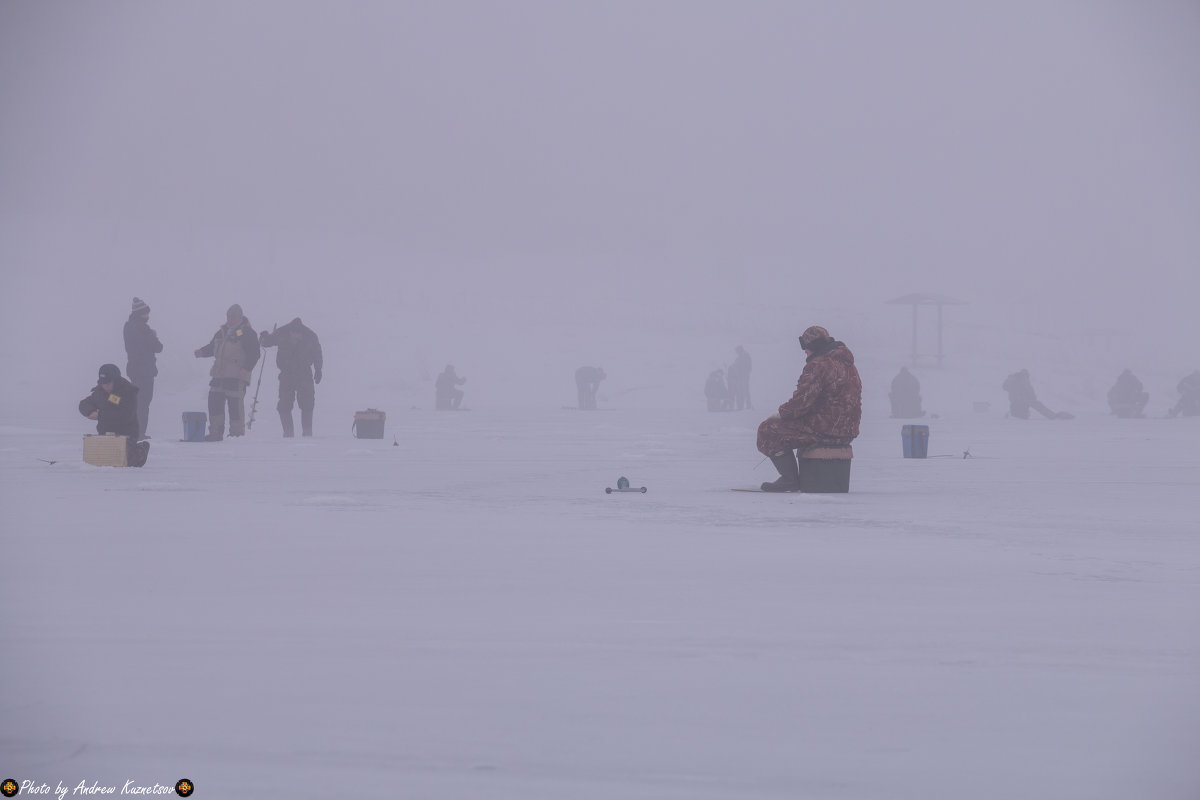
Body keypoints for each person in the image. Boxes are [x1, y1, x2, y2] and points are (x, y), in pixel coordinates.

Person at [756, 326, 862, 492]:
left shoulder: (819, 365)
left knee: (767, 429)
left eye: (806, 349)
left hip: (824, 430)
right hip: (847, 431)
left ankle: (789, 480)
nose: (805, 353)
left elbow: (802, 402)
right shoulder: (849, 365)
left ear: (812, 347)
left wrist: (781, 413)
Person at [193, 304, 259, 441]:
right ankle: (215, 433)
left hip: (237, 375)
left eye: (233, 316)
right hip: (219, 374)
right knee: (214, 402)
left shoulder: (247, 333)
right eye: (228, 316)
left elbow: (254, 353)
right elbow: (212, 347)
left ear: (240, 317)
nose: (229, 319)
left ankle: (236, 435)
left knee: (235, 406)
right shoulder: (222, 332)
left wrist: (246, 369)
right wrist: (202, 352)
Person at [259, 317, 323, 436]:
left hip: (305, 374)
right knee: (284, 404)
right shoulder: (282, 332)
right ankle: (288, 433)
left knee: (308, 403)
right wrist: (263, 337)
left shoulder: (310, 336)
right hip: (286, 374)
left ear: (301, 333)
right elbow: (267, 342)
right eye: (293, 334)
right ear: (290, 332)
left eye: (298, 335)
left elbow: (317, 353)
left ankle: (307, 433)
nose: (296, 337)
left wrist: (318, 369)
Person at [79, 363, 149, 466]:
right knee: (101, 461)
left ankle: (140, 449)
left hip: (126, 434)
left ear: (116, 381)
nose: (105, 386)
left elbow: (125, 415)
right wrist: (90, 411)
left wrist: (100, 415)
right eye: (103, 383)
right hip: (105, 435)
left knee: (124, 462)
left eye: (108, 383)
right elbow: (84, 404)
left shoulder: (128, 392)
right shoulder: (100, 392)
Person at [123, 297, 162, 440]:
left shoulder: (135, 327)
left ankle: (139, 432)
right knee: (141, 403)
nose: (148, 316)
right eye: (145, 313)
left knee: (142, 403)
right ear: (140, 313)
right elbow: (155, 346)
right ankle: (137, 433)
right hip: (141, 371)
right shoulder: (136, 328)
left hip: (141, 370)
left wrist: (151, 337)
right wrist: (152, 336)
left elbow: (156, 347)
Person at [1002, 369, 1071, 420]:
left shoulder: (1024, 380)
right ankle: (1053, 416)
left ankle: (1053, 416)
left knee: (1023, 415)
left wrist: (1033, 398)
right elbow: (1006, 387)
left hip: (1023, 400)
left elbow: (1030, 391)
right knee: (1022, 415)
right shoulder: (1015, 380)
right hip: (1020, 400)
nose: (1027, 376)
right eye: (1026, 375)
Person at [727, 345, 753, 410]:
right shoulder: (741, 357)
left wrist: (741, 374)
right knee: (744, 391)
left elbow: (745, 367)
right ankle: (747, 405)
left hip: (743, 377)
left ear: (740, 350)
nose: (736, 352)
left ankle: (748, 405)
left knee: (745, 391)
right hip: (742, 377)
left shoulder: (744, 357)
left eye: (737, 351)